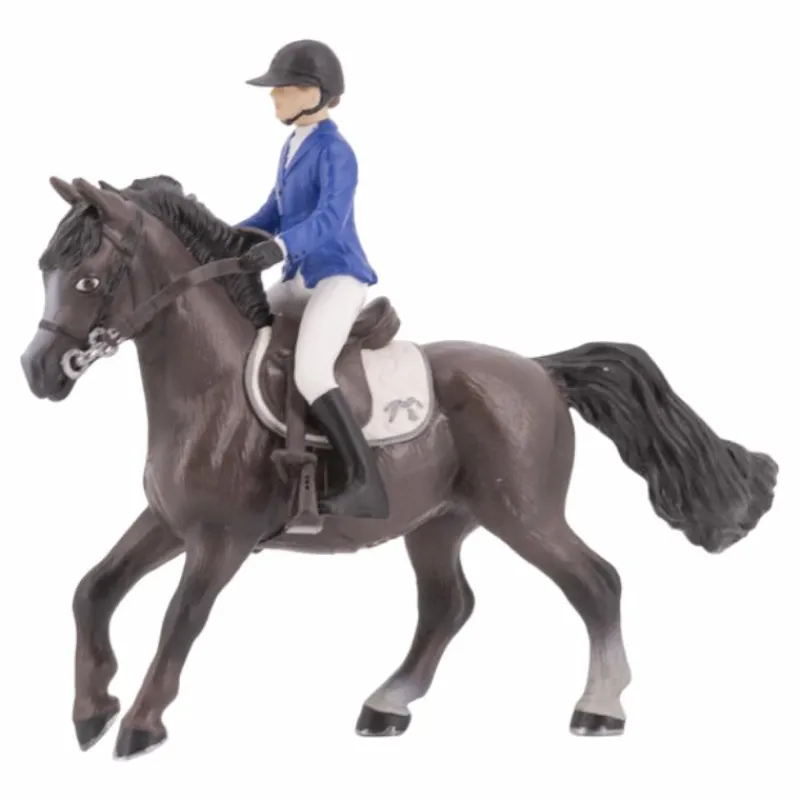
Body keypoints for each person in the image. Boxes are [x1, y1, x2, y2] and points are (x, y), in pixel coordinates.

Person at [236, 39, 389, 520]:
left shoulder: (336, 152)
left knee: (311, 371)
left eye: (283, 88)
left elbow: (329, 219)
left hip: (336, 277)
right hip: (298, 277)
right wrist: (227, 237)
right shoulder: (292, 145)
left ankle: (365, 480)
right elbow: (274, 210)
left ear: (314, 92)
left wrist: (279, 247)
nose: (273, 95)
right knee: (239, 327)